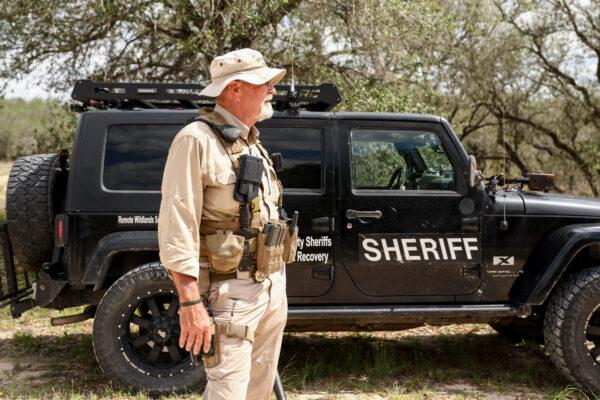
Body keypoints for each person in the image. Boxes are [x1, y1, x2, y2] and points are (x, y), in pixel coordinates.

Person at [157, 48, 291, 399]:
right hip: (230, 296)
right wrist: (189, 304)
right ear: (234, 89)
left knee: (256, 393)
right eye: (264, 83)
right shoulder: (195, 140)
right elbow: (177, 228)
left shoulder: (251, 142)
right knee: (228, 393)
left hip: (269, 288)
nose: (272, 90)